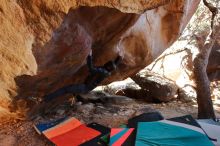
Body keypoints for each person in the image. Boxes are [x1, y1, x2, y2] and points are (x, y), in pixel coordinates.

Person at [43, 55, 121, 102]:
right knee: (69, 89)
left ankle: (46, 98)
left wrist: (89, 56)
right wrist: (119, 58)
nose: (106, 63)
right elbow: (114, 66)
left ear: (107, 66)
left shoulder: (102, 71)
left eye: (108, 64)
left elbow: (91, 68)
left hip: (84, 87)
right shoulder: (107, 72)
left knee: (65, 89)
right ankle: (75, 97)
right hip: (86, 87)